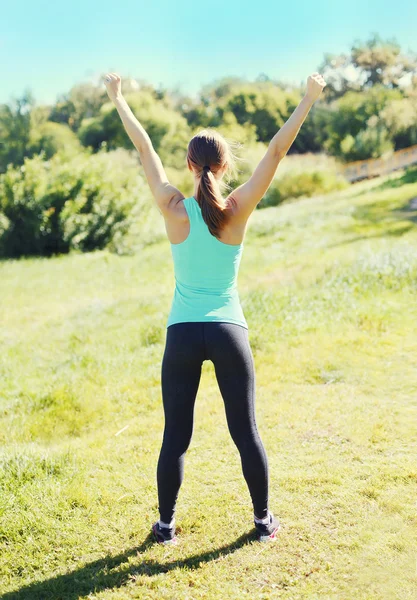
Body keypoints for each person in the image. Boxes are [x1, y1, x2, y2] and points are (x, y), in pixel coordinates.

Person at [104, 71, 326, 545]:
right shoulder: (237, 209)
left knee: (175, 437)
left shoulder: (172, 206)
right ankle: (263, 522)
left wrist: (119, 98)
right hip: (228, 329)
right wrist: (308, 98)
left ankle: (164, 528)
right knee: (245, 431)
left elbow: (145, 150)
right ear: (224, 166)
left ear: (189, 164)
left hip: (182, 333)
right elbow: (276, 152)